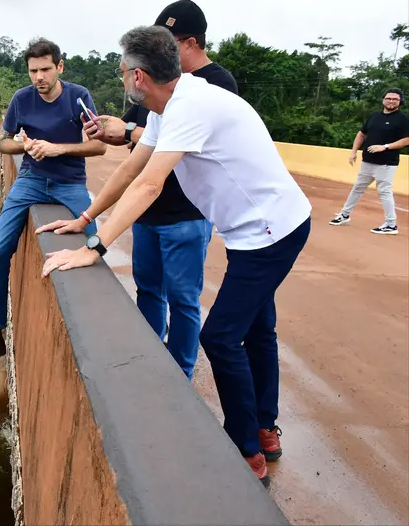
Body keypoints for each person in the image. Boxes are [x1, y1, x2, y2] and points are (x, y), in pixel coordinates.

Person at [38, 26, 312, 487]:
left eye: (123, 70)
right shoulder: (168, 104)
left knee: (222, 338)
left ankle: (247, 452)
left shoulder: (189, 107)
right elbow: (131, 167)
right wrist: (84, 219)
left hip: (272, 232)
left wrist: (95, 248)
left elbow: (149, 184)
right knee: (258, 328)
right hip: (253, 232)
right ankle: (265, 429)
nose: (121, 76)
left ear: (139, 76)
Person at [58, 0, 238, 380]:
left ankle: (180, 374)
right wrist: (108, 129)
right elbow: (133, 157)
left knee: (184, 300)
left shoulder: (212, 87)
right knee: (149, 291)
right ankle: (150, 360)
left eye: (166, 42)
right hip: (146, 212)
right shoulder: (160, 97)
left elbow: (163, 162)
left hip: (186, 213)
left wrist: (96, 244)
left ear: (190, 43)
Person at [0, 37, 107, 367]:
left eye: (45, 70)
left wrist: (58, 148)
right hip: (31, 182)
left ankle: (98, 333)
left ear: (60, 67)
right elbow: (4, 145)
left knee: (96, 245)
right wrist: (28, 146)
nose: (38, 77)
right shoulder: (21, 99)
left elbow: (99, 148)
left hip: (70, 183)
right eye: (33, 71)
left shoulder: (78, 97)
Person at [329, 88, 409, 234]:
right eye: (389, 98)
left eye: (395, 99)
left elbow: (406, 140)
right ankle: (344, 215)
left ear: (400, 102)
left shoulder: (403, 119)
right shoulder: (374, 116)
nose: (391, 101)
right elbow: (361, 134)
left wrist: (384, 147)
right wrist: (353, 152)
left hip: (386, 163)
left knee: (384, 191)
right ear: (383, 99)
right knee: (357, 188)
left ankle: (391, 225)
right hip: (368, 161)